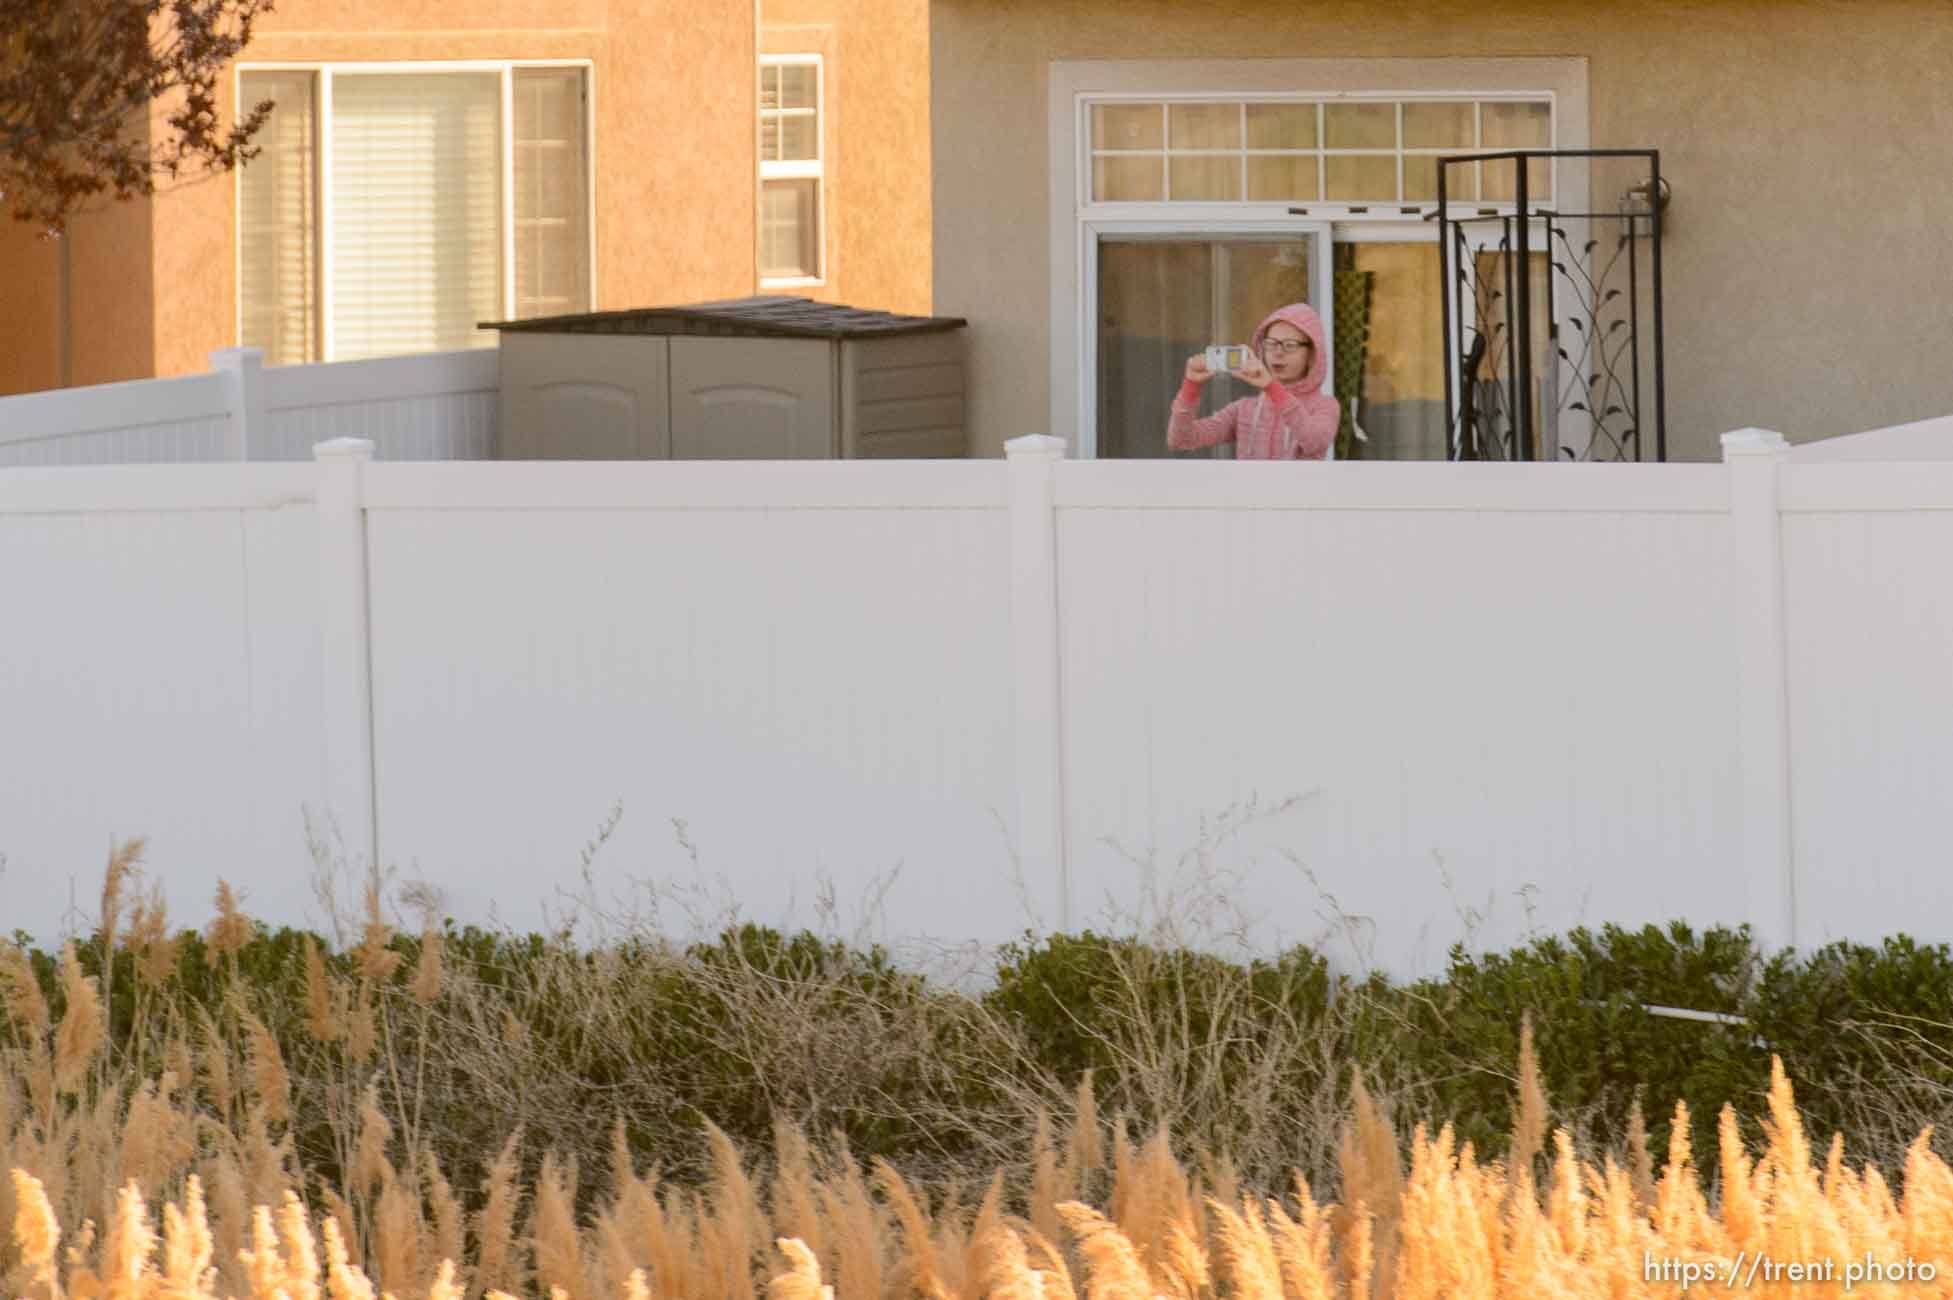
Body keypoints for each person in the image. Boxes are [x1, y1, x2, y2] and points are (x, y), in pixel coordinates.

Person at [1167, 302, 1340, 460]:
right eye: (1271, 344)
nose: (1278, 352)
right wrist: (1191, 386)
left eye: (1290, 345)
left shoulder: (1325, 405)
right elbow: (1180, 440)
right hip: (1248, 495)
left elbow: (1314, 441)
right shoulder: (1243, 409)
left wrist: (1272, 387)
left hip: (1299, 495)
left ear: (1312, 354)